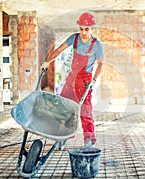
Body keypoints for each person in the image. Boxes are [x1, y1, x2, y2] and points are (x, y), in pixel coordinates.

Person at [42, 12, 104, 147]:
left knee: (85, 111)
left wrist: (93, 81)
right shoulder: (74, 39)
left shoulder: (97, 45)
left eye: (86, 29)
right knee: (65, 107)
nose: (83, 32)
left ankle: (89, 139)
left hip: (85, 82)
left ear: (92, 29)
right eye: (81, 29)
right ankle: (64, 136)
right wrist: (47, 62)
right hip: (71, 79)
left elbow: (100, 64)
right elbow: (58, 51)